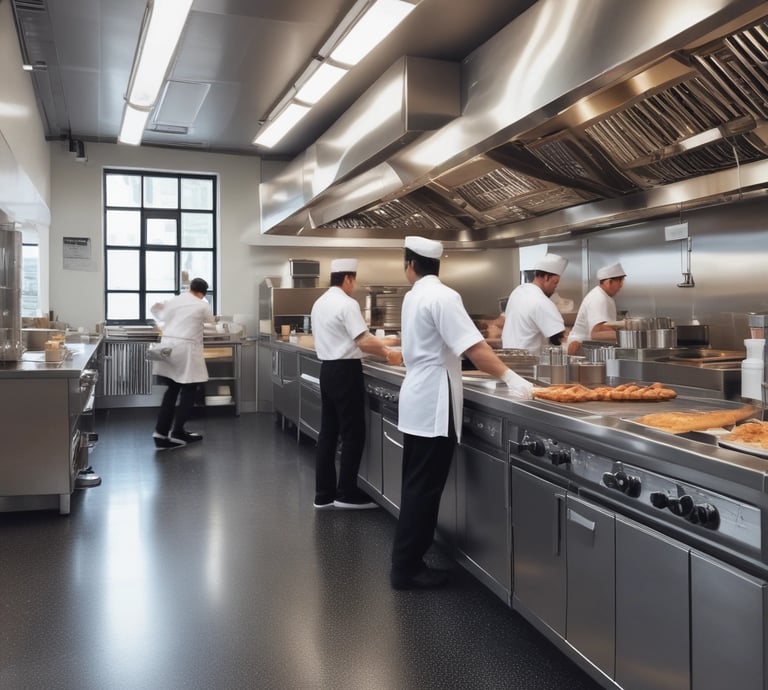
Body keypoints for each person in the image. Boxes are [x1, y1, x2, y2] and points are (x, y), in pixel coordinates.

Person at [390, 236, 533, 590]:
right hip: (433, 403)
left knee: (415, 486)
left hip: (418, 397)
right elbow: (475, 348)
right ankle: (406, 569)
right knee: (423, 490)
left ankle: (406, 562)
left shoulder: (413, 296)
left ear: (410, 265)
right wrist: (512, 378)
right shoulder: (444, 296)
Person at [311, 258, 402, 510]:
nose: (354, 285)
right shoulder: (347, 303)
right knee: (353, 433)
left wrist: (386, 343)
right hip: (345, 371)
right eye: (354, 281)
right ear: (348, 279)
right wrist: (389, 350)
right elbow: (363, 341)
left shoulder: (320, 303)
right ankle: (346, 493)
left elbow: (356, 338)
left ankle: (323, 494)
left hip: (327, 370)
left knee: (328, 433)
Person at [150, 277, 215, 449]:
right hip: (186, 349)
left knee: (172, 389)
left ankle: (160, 433)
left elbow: (158, 312)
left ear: (190, 288)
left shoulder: (175, 300)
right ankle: (178, 431)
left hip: (168, 348)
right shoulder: (202, 304)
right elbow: (211, 322)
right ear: (202, 292)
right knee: (190, 389)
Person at [501, 253, 569, 357]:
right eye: (555, 283)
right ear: (546, 277)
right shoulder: (542, 301)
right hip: (529, 363)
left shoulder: (518, 291)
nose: (555, 287)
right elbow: (559, 338)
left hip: (508, 358)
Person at [566, 262, 626, 355]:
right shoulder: (598, 298)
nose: (621, 285)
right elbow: (597, 333)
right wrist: (626, 336)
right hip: (581, 350)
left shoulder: (606, 296)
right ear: (609, 282)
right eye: (620, 281)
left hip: (593, 351)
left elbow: (605, 326)